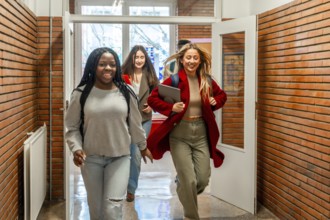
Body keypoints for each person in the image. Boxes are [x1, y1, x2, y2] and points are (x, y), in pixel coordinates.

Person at [64, 47, 153, 220]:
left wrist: (143, 147)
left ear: (117, 67)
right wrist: (76, 149)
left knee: (113, 209)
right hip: (91, 159)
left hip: (119, 158)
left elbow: (135, 125)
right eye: (102, 64)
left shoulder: (127, 92)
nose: (108, 68)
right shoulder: (81, 93)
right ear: (92, 66)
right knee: (96, 210)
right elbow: (72, 128)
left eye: (112, 64)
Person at [147, 43, 227, 220]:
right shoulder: (174, 80)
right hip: (179, 134)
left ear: (199, 61)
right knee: (189, 180)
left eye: (195, 58)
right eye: (188, 57)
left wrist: (216, 101)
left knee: (202, 180)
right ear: (182, 60)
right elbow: (152, 99)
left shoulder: (207, 80)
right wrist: (171, 107)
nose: (191, 61)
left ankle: (181, 184)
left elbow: (222, 95)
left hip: (201, 134)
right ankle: (191, 216)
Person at [121, 45, 159, 202]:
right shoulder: (123, 75)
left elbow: (159, 96)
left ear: (146, 59)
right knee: (124, 154)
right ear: (132, 58)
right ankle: (119, 185)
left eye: (142, 57)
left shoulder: (150, 75)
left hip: (144, 119)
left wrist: (152, 104)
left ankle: (131, 189)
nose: (139, 60)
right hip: (125, 120)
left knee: (136, 154)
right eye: (136, 57)